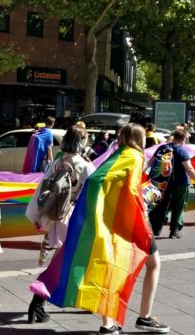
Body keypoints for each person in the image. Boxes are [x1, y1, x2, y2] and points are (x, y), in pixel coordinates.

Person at [30, 124, 169, 335]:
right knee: (153, 264)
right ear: (140, 139)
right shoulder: (134, 156)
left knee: (110, 267)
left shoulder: (118, 154)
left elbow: (98, 181)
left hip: (109, 222)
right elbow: (123, 188)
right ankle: (144, 317)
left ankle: (108, 323)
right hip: (129, 222)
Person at [25, 125, 95, 323]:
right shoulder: (84, 165)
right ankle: (37, 302)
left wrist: (36, 216)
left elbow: (41, 189)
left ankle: (81, 298)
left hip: (55, 216)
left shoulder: (57, 160)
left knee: (67, 259)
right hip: (73, 217)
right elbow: (93, 193)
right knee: (65, 261)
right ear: (82, 141)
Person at [148, 128, 195, 239]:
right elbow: (189, 169)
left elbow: (150, 162)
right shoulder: (181, 150)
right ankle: (174, 231)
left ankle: (154, 228)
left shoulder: (162, 148)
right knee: (179, 206)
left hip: (163, 183)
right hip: (180, 183)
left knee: (161, 205)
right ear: (184, 139)